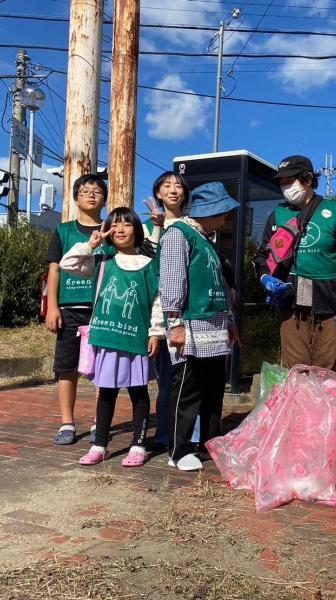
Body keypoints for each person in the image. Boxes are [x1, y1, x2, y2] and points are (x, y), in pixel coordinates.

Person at [60, 207, 164, 467]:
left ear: (137, 230)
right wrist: (91, 244)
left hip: (136, 339)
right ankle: (100, 445)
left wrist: (156, 333)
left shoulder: (150, 265)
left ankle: (139, 446)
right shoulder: (102, 261)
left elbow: (157, 302)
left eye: (126, 224)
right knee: (106, 393)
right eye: (114, 224)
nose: (119, 229)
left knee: (139, 393)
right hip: (106, 338)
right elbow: (67, 264)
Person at [159, 181, 241, 471]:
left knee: (213, 388)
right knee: (188, 388)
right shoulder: (178, 234)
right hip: (191, 327)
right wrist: (175, 324)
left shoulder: (207, 240)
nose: (225, 218)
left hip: (216, 327)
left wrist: (230, 322)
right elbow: (171, 280)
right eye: (223, 212)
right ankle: (178, 451)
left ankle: (210, 442)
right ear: (211, 211)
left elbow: (220, 285)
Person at [253, 155, 336, 371]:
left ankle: (325, 406)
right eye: (281, 183)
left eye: (289, 181)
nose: (285, 187)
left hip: (329, 302)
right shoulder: (277, 215)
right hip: (291, 301)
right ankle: (298, 406)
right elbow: (261, 256)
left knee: (327, 369)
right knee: (295, 369)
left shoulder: (335, 211)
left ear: (308, 179)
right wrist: (265, 278)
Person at [44, 174, 108, 445]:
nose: (91, 195)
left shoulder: (113, 230)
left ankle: (99, 421)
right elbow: (54, 269)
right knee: (67, 368)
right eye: (85, 191)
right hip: (69, 308)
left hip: (103, 308)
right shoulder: (63, 231)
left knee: (101, 370)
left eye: (96, 191)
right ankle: (67, 423)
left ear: (104, 197)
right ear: (76, 197)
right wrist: (52, 307)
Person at [140, 171, 190, 450]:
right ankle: (164, 431)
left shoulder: (191, 225)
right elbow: (146, 262)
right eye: (167, 185)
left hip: (191, 310)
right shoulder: (148, 227)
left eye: (178, 185)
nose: (173, 189)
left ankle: (186, 432)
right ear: (157, 193)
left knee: (186, 376)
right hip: (160, 313)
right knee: (167, 376)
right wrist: (158, 226)